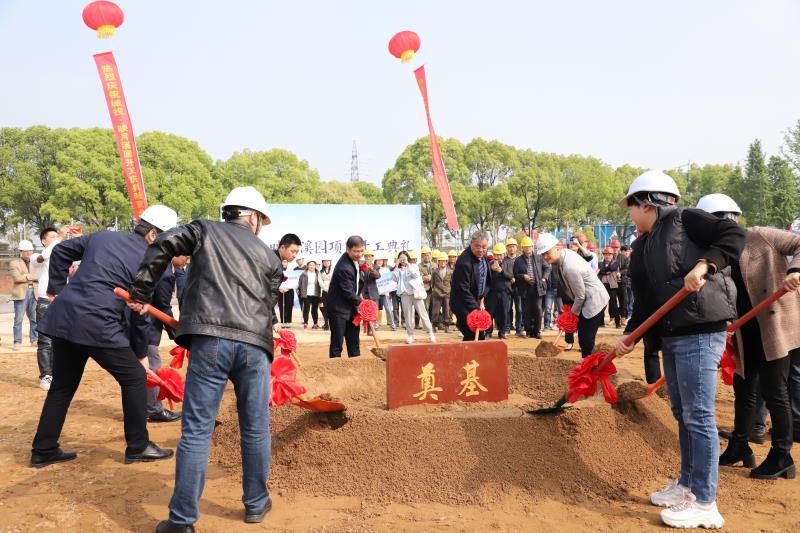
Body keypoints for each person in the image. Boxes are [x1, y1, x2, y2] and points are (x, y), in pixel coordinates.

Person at [128, 187, 283, 530]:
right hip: (255, 347)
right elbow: (268, 304)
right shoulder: (270, 257)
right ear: (253, 217)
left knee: (197, 431)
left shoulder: (204, 230)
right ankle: (256, 503)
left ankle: (182, 521)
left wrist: (140, 291)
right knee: (256, 429)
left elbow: (164, 242)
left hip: (210, 341)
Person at [612, 171, 745, 529]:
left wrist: (704, 264)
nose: (629, 215)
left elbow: (734, 235)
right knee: (682, 412)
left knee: (698, 415)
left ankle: (704, 501)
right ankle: (687, 484)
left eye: (631, 207)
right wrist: (630, 336)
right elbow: (646, 300)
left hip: (700, 332)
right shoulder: (644, 245)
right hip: (671, 335)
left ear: (647, 203)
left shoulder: (687, 220)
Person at [30, 205, 179, 470]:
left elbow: (61, 251)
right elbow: (140, 314)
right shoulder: (152, 262)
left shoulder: (102, 237)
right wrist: (141, 354)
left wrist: (56, 290)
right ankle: (138, 446)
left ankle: (44, 449)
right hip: (98, 324)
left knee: (62, 386)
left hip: (65, 318)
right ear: (153, 235)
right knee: (135, 378)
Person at [696, 193, 800, 479]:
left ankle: (782, 456)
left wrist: (795, 270)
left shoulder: (760, 236)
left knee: (775, 391)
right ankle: (740, 445)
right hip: (744, 329)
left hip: (773, 325)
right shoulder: (716, 251)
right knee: (744, 389)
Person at [537, 233, 608, 357]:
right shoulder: (564, 254)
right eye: (543, 254)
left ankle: (590, 365)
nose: (545, 257)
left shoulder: (569, 267)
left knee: (586, 339)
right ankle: (588, 362)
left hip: (594, 301)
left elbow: (580, 296)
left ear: (557, 247)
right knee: (584, 338)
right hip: (586, 299)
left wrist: (571, 315)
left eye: (547, 252)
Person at [145, 255, 187, 423]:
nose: (187, 260)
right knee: (152, 366)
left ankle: (140, 409)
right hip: (146, 327)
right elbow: (163, 306)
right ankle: (153, 410)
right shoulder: (165, 273)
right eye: (185, 256)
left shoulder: (153, 263)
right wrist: (178, 334)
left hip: (136, 323)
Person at [30, 227, 67, 390]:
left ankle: (57, 374)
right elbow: (44, 256)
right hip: (46, 302)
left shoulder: (62, 257)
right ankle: (46, 376)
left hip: (63, 302)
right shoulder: (36, 257)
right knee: (45, 341)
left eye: (56, 236)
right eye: (52, 237)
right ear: (43, 241)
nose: (56, 239)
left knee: (62, 341)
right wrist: (60, 238)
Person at [327, 236, 367, 357]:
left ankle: (355, 365)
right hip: (339, 310)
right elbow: (348, 292)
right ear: (347, 249)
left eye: (361, 251)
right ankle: (335, 367)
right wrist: (364, 304)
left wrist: (360, 298)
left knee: (354, 341)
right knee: (337, 343)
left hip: (352, 308)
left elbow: (358, 283)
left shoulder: (355, 261)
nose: (359, 254)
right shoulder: (343, 267)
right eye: (356, 251)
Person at [450, 231, 491, 341]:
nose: (481, 250)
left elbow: (485, 280)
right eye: (477, 246)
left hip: (476, 301)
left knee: (476, 337)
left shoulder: (483, 257)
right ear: (471, 244)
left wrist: (482, 299)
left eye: (484, 247)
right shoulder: (464, 262)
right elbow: (463, 289)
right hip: (463, 304)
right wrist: (476, 308)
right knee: (473, 336)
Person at [393, 250, 437, 344]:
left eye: (404, 258)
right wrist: (396, 266)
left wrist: (408, 266)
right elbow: (394, 279)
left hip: (415, 293)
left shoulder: (413, 266)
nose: (402, 260)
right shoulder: (398, 269)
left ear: (407, 258)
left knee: (423, 313)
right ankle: (410, 335)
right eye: (400, 258)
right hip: (404, 294)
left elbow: (416, 275)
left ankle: (430, 333)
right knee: (407, 315)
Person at [513, 236, 550, 339]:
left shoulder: (539, 258)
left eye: (529, 246)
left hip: (537, 288)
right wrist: (523, 276)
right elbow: (515, 274)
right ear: (523, 248)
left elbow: (547, 268)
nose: (528, 248)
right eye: (526, 247)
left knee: (538, 309)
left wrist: (544, 278)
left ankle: (537, 331)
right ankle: (528, 331)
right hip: (525, 289)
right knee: (526, 311)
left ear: (532, 247)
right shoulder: (518, 260)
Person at [10, 239, 38, 350]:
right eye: (26, 251)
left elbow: (39, 276)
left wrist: (25, 276)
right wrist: (32, 277)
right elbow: (17, 278)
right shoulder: (14, 263)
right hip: (21, 293)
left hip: (34, 292)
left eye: (30, 250)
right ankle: (17, 341)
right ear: (21, 251)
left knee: (34, 318)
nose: (28, 253)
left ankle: (34, 340)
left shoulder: (35, 262)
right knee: (18, 319)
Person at [485, 243, 513, 338]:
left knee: (504, 313)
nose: (499, 257)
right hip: (492, 293)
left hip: (504, 292)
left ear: (504, 254)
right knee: (490, 312)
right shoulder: (489, 264)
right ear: (494, 255)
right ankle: (488, 332)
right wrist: (491, 269)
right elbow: (485, 277)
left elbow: (510, 276)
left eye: (501, 254)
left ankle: (502, 332)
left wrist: (501, 271)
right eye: (497, 255)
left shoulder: (508, 263)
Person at [504, 237, 524, 337]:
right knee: (508, 309)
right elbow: (503, 272)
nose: (511, 248)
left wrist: (517, 278)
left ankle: (519, 328)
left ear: (516, 248)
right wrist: (510, 278)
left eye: (513, 247)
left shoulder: (520, 259)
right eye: (509, 247)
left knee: (519, 309)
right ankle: (508, 327)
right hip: (507, 287)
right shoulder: (504, 260)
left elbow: (523, 271)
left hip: (518, 287)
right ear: (507, 248)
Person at [598, 247, 622, 328]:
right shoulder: (600, 263)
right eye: (606, 254)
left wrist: (603, 270)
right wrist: (606, 270)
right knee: (602, 305)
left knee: (614, 305)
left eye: (609, 254)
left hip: (612, 287)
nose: (607, 256)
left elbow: (612, 268)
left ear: (612, 255)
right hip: (603, 286)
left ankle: (618, 323)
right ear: (603, 255)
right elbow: (602, 269)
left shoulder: (615, 263)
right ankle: (601, 323)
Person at [430, 252, 453, 333]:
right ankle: (434, 325)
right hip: (437, 294)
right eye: (441, 261)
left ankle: (446, 326)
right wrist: (435, 290)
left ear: (446, 262)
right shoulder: (435, 272)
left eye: (444, 261)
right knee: (435, 311)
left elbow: (452, 283)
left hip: (447, 294)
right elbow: (432, 283)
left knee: (447, 311)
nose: (442, 262)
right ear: (438, 262)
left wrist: (449, 291)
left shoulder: (450, 272)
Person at [360, 250, 381, 330]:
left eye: (369, 256)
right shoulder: (360, 267)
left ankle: (373, 328)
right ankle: (369, 329)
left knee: (373, 312)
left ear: (372, 257)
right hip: (363, 293)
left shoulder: (376, 267)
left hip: (373, 293)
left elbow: (377, 276)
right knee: (366, 312)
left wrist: (371, 269)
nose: (368, 258)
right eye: (366, 256)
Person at [543, 246, 562, 331]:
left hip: (559, 289)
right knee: (547, 308)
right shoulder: (545, 263)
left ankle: (560, 325)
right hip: (549, 289)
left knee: (560, 310)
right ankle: (546, 326)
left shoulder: (558, 263)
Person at [298, 260, 322, 330]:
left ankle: (315, 323)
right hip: (307, 294)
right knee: (306, 309)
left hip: (315, 294)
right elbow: (300, 283)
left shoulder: (318, 274)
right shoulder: (303, 274)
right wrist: (301, 292)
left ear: (315, 266)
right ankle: (305, 323)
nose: (311, 266)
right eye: (310, 265)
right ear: (307, 266)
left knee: (314, 310)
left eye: (313, 265)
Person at [376, 253, 397, 330]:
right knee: (375, 309)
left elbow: (390, 282)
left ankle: (393, 324)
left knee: (388, 308)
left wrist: (390, 292)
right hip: (375, 293)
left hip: (385, 293)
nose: (379, 262)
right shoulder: (373, 269)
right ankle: (376, 325)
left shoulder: (386, 270)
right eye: (378, 260)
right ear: (375, 261)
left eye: (381, 260)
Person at [319, 258, 333, 331]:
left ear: (330, 262)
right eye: (324, 261)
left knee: (332, 308)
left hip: (333, 292)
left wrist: (331, 288)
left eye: (328, 261)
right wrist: (325, 288)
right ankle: (326, 324)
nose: (326, 263)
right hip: (324, 291)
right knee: (325, 308)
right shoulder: (321, 272)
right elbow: (320, 281)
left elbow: (335, 280)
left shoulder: (333, 270)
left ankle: (332, 324)